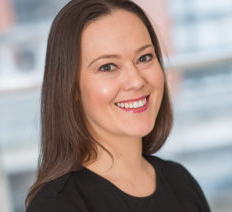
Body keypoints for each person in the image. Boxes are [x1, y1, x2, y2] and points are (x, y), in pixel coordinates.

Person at [26, 0, 210, 211]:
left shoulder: (180, 182)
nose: (136, 81)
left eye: (144, 57)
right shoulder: (57, 205)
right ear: (72, 87)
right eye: (108, 67)